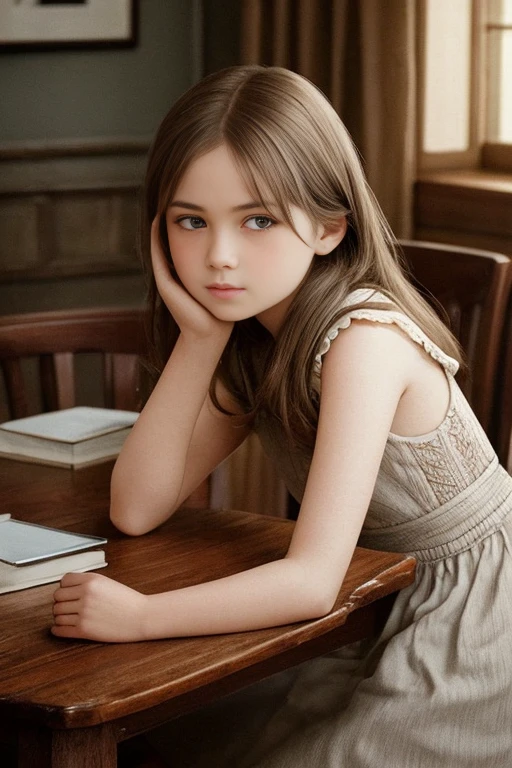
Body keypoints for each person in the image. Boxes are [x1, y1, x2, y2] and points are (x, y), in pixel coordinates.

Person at [51, 65, 512, 767]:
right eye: (190, 221)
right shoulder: (253, 341)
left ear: (330, 227)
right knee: (173, 735)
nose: (219, 257)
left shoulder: (364, 342)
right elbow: (136, 507)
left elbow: (310, 581)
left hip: (477, 623)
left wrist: (141, 617)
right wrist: (201, 339)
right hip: (378, 601)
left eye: (258, 219)